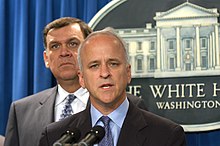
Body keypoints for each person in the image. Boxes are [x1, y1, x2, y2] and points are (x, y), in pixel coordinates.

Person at [4, 18, 147, 146]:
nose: (64, 52)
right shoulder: (21, 111)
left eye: (72, 44)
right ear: (46, 58)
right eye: (55, 46)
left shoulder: (133, 105)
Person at [39, 27, 186, 146]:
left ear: (128, 73)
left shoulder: (167, 135)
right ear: (82, 79)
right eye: (94, 66)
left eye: (113, 64)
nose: (104, 73)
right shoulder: (55, 137)